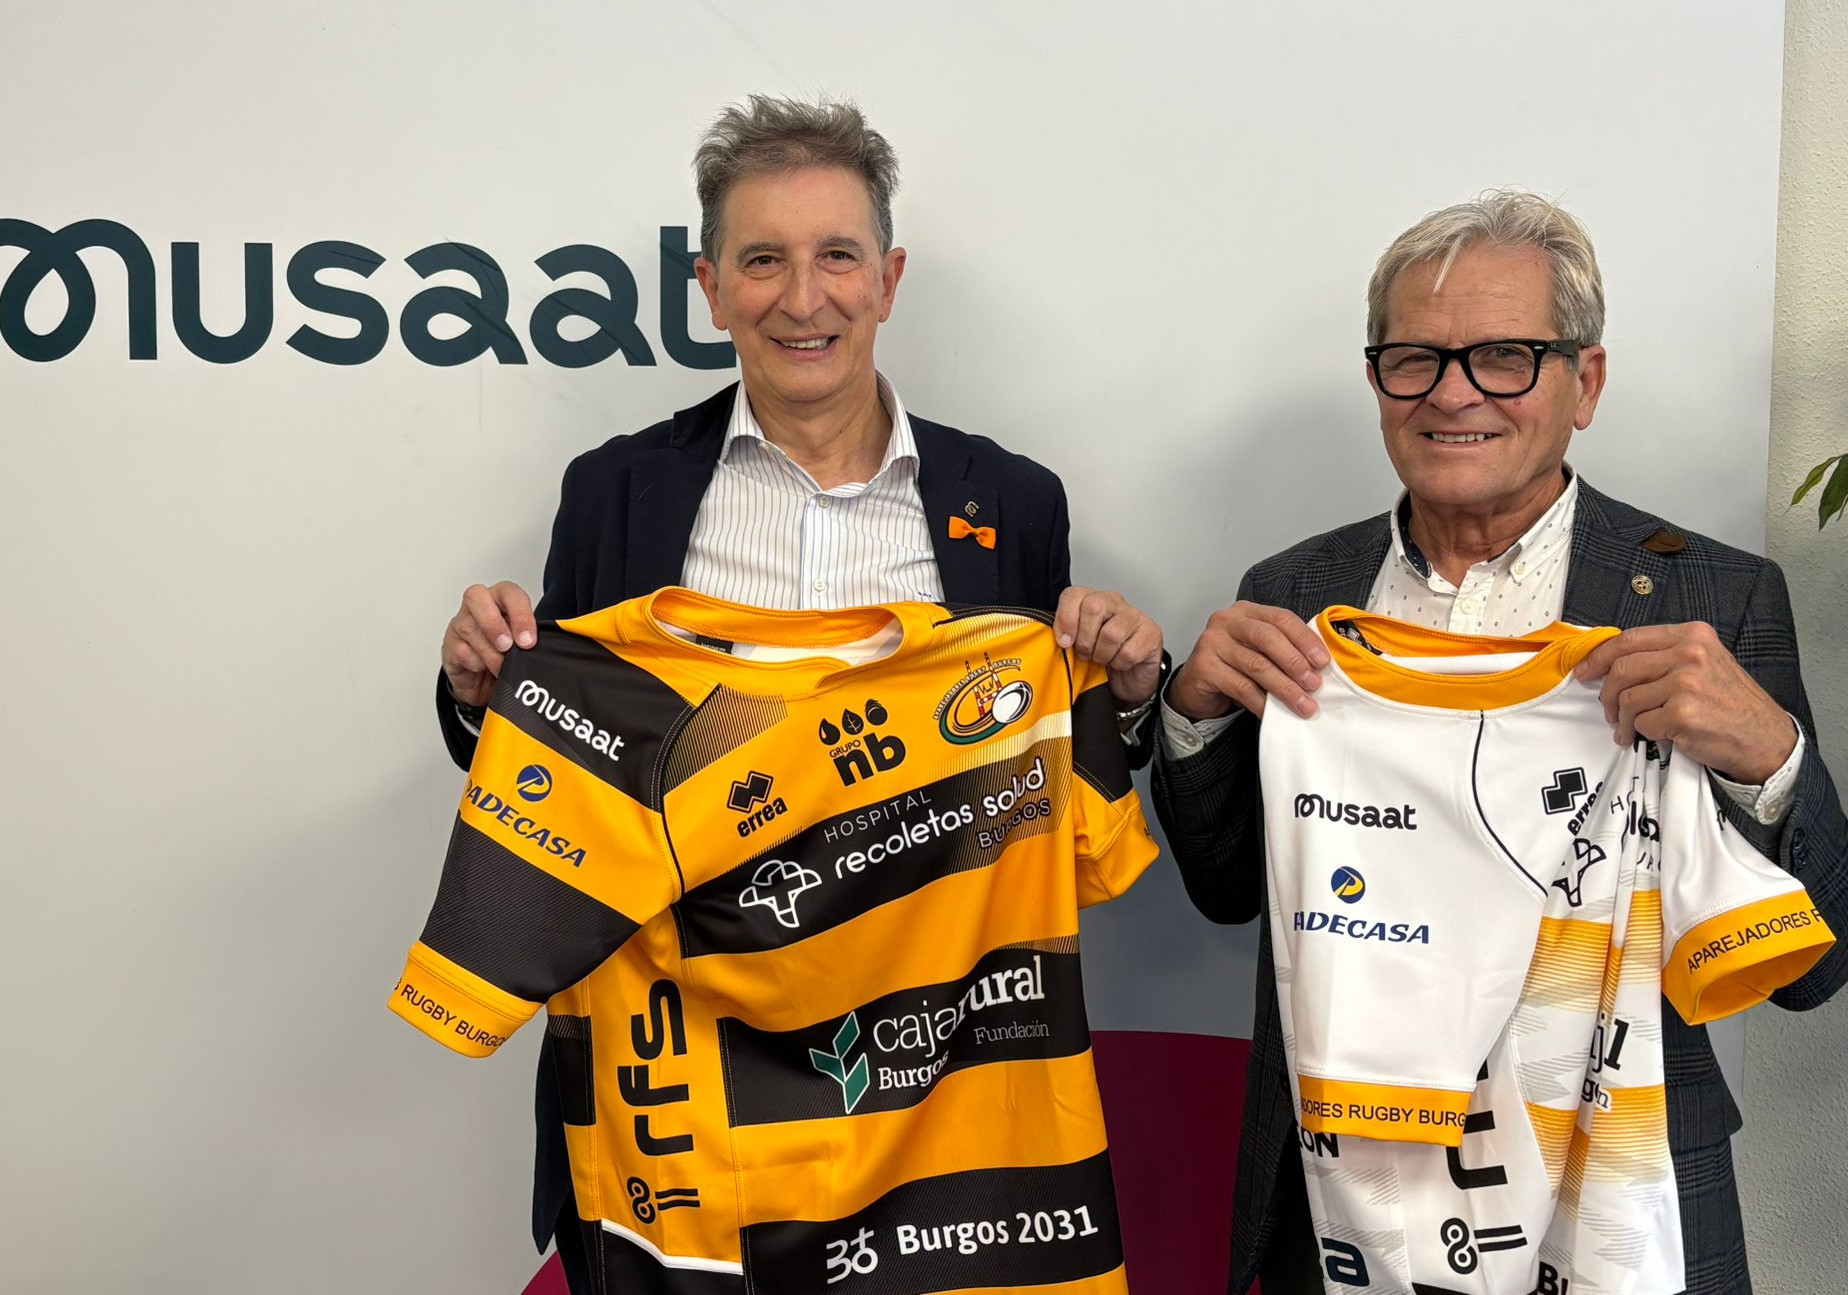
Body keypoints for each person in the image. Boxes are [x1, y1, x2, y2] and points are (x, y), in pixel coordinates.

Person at [436, 95, 1170, 1293]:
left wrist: (1124, 695)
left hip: (933, 1118)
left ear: (886, 279)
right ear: (710, 288)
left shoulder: (1010, 501)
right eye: (761, 260)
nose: (801, 297)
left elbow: (1038, 774)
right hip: (678, 1119)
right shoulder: (618, 492)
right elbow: (564, 770)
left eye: (835, 256)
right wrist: (483, 693)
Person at [1155, 190, 1848, 1295]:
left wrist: (1770, 759)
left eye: (1504, 356)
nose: (1452, 393)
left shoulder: (1708, 599)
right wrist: (1192, 719)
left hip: (1611, 1184)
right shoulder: (1294, 593)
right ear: (1377, 381)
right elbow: (1231, 890)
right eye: (1413, 360)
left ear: (1587, 382)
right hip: (1345, 1185)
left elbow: (1817, 968)